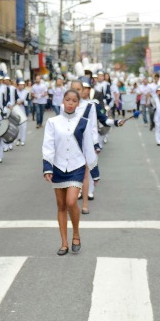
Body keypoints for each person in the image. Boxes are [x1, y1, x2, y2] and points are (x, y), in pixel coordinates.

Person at [42, 88, 99, 256]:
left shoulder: (83, 122)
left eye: (74, 101)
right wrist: (47, 167)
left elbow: (88, 147)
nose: (70, 103)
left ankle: (76, 234)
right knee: (61, 206)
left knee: (72, 202)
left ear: (78, 104)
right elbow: (48, 146)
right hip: (58, 167)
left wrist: (95, 172)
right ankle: (64, 243)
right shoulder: (53, 122)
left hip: (77, 166)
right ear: (63, 101)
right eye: (67, 100)